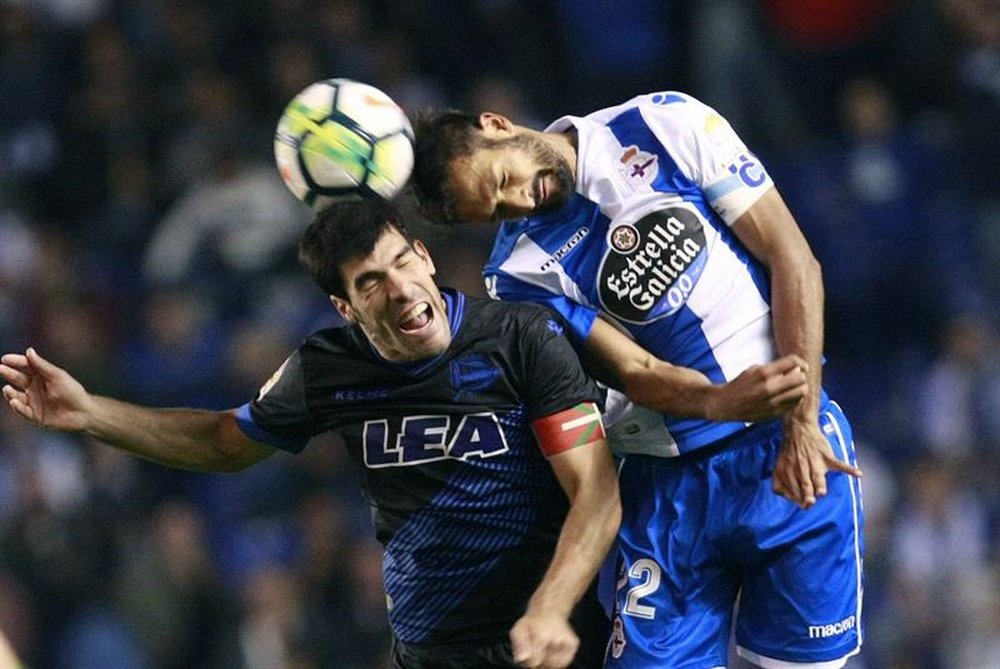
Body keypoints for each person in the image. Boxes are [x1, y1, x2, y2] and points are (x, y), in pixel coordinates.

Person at [0, 199, 622, 669]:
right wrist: (89, 414)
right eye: (370, 282)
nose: (400, 289)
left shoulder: (520, 337)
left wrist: (551, 606)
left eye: (402, 262)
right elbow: (223, 442)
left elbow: (595, 494)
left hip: (550, 640)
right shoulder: (328, 368)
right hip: (430, 652)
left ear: (425, 257)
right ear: (346, 309)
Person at [411, 91, 865, 668]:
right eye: (499, 211)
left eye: (504, 179)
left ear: (497, 125)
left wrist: (801, 422)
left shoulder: (664, 121)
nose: (520, 201)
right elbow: (634, 371)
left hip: (786, 442)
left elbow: (791, 256)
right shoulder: (517, 274)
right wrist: (721, 401)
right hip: (666, 486)